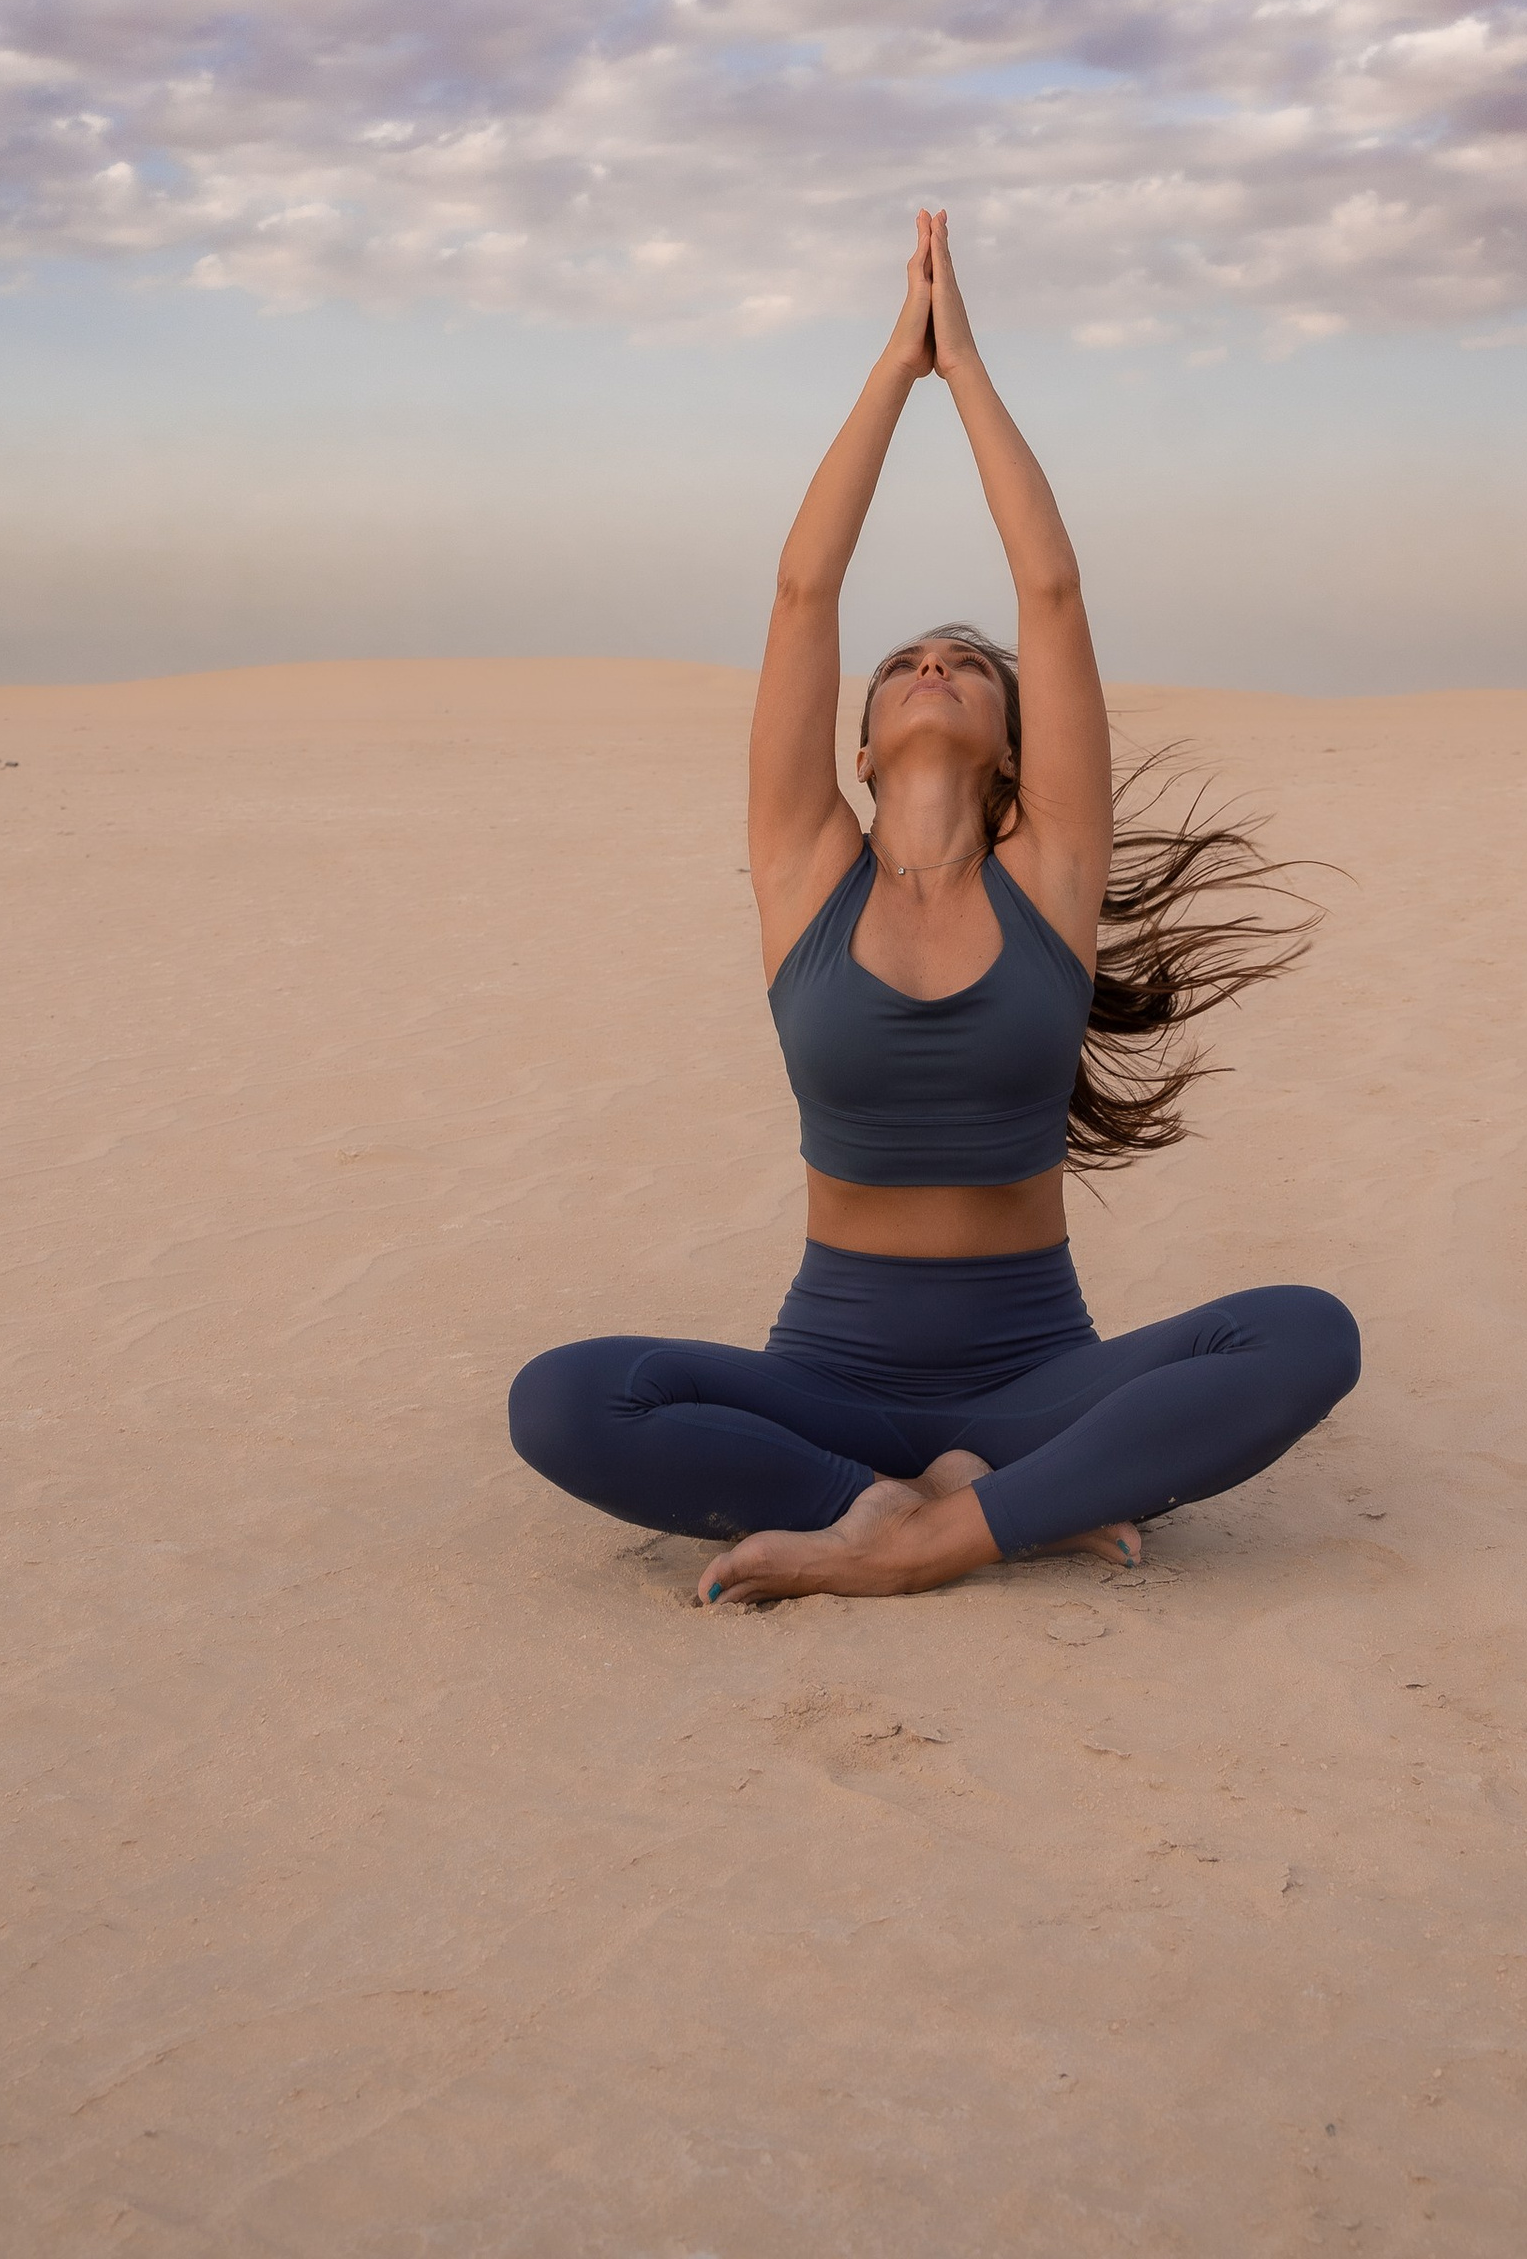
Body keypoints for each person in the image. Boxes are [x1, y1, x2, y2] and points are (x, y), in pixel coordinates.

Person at [507, 211, 1361, 1604]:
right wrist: (886, 375)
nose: (929, 664)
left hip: (1042, 1379)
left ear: (1019, 743)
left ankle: (930, 1537)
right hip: (828, 1385)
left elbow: (1054, 591)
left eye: (966, 664)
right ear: (855, 748)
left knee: (1308, 1332)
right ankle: (928, 1504)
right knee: (563, 1398)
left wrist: (963, 368)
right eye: (902, 661)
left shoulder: (1051, 883)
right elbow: (801, 593)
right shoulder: (803, 878)